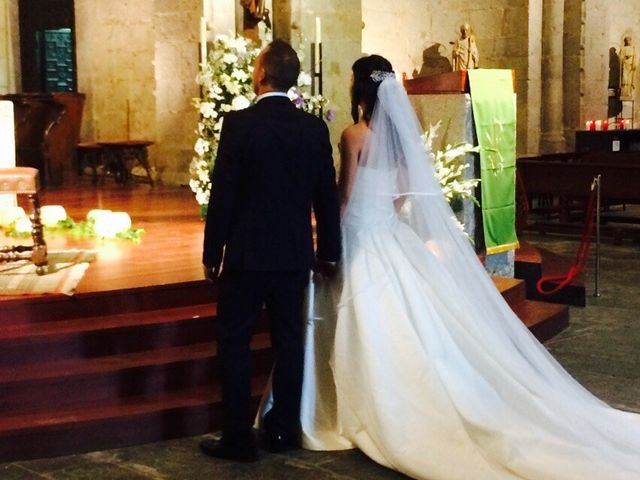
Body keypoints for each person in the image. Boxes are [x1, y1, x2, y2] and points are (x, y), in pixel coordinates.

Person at [300, 55, 640, 479]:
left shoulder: (354, 135)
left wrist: (325, 234)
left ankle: (370, 403)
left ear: (359, 90)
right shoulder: (404, 142)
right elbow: (406, 195)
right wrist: (382, 216)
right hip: (386, 230)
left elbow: (344, 195)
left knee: (367, 317)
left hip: (360, 233)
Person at [200, 39, 341, 462]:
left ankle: (238, 437)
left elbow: (222, 194)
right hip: (294, 255)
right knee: (290, 340)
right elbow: (326, 198)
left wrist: (212, 253)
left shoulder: (239, 124)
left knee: (235, 340)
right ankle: (282, 431)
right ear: (293, 79)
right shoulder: (314, 129)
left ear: (260, 75)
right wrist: (329, 251)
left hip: (245, 255)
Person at [620, 35, 636, 100]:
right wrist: (624, 58)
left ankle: (629, 93)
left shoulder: (633, 48)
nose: (628, 42)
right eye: (627, 40)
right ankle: (624, 93)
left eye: (629, 40)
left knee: (630, 79)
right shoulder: (623, 49)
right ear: (625, 41)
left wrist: (633, 64)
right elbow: (621, 57)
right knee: (624, 79)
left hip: (630, 65)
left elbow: (634, 57)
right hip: (625, 65)